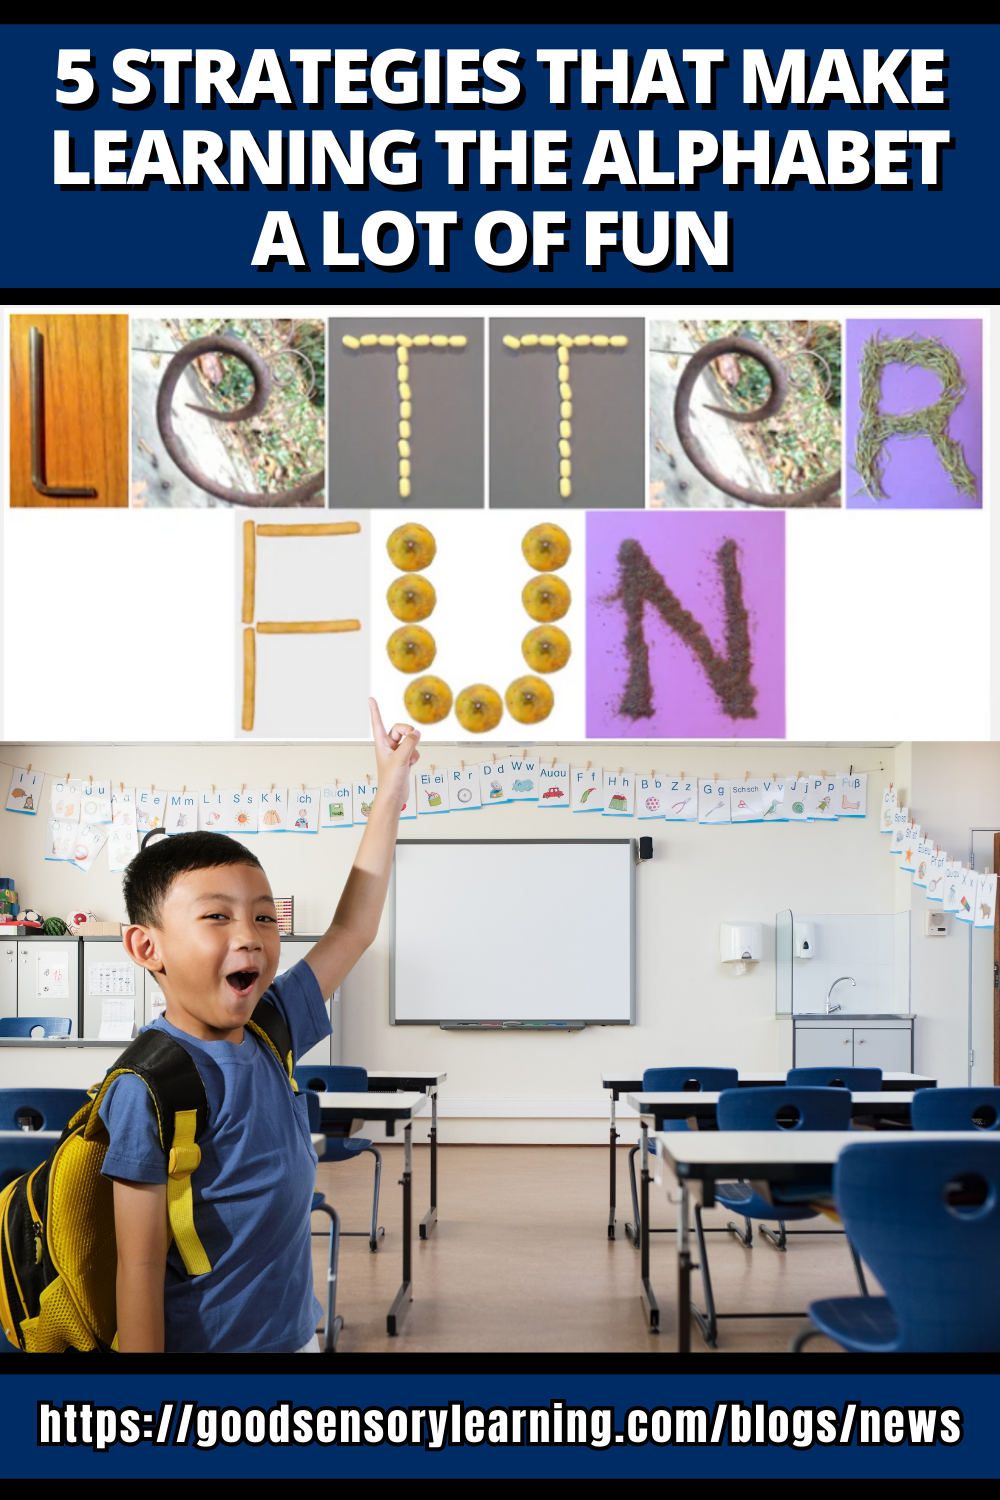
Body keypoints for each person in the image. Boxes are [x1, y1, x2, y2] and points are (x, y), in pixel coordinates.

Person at [108, 699, 420, 1353]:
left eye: (264, 917)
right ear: (147, 947)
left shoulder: (272, 1025)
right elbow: (136, 1269)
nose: (249, 938)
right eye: (217, 918)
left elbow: (353, 928)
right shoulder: (149, 1086)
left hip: (293, 1340)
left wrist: (390, 790)